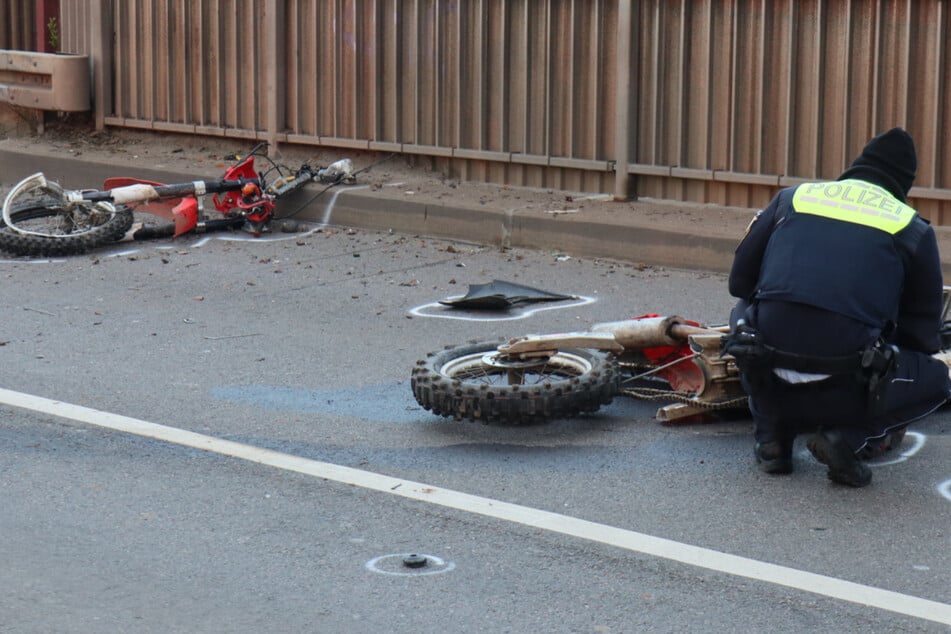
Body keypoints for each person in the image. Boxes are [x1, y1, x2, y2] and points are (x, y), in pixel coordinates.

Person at [725, 127, 951, 487]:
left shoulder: (792, 199)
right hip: (844, 386)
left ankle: (771, 438)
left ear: (854, 168)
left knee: (744, 313)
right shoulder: (911, 228)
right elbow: (922, 339)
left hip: (768, 371)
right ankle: (845, 439)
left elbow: (740, 283)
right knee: (937, 379)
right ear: (903, 186)